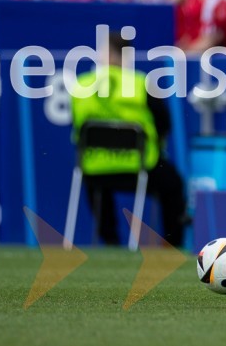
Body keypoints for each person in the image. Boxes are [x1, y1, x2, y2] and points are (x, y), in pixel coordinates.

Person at [70, 33, 186, 246]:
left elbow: (77, 125)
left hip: (95, 167)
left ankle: (110, 241)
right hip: (139, 167)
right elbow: (163, 123)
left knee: (95, 183)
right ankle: (172, 244)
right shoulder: (140, 83)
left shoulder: (81, 85)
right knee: (174, 184)